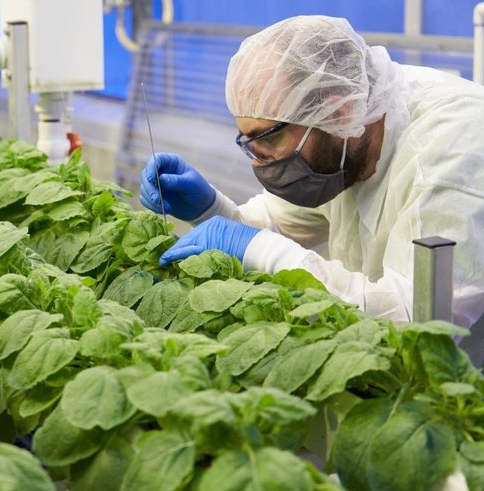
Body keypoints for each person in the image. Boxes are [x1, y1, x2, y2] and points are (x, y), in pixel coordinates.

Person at [140, 15, 484, 329]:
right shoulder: (345, 140)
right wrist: (212, 211)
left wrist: (264, 251)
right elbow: (280, 229)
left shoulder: (449, 155)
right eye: (247, 141)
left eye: (269, 137)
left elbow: (423, 322)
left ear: (338, 111)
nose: (259, 159)